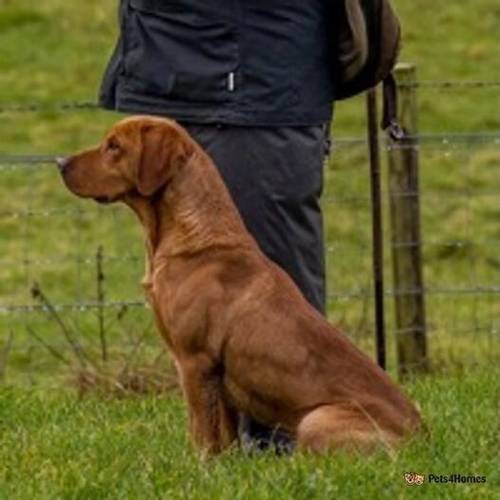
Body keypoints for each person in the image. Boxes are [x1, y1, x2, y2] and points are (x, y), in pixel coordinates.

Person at [100, 0, 336, 452]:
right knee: (206, 302)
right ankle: (223, 449)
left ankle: (286, 447)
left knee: (274, 286)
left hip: (254, 82)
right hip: (175, 66)